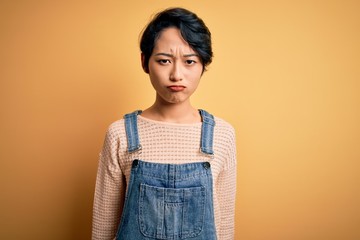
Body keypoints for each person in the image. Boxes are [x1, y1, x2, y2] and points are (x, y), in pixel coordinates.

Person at [92, 7, 237, 240]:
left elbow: (225, 225)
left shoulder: (222, 134)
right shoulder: (120, 134)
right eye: (164, 60)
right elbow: (104, 226)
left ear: (203, 65)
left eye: (189, 61)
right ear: (144, 62)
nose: (176, 74)